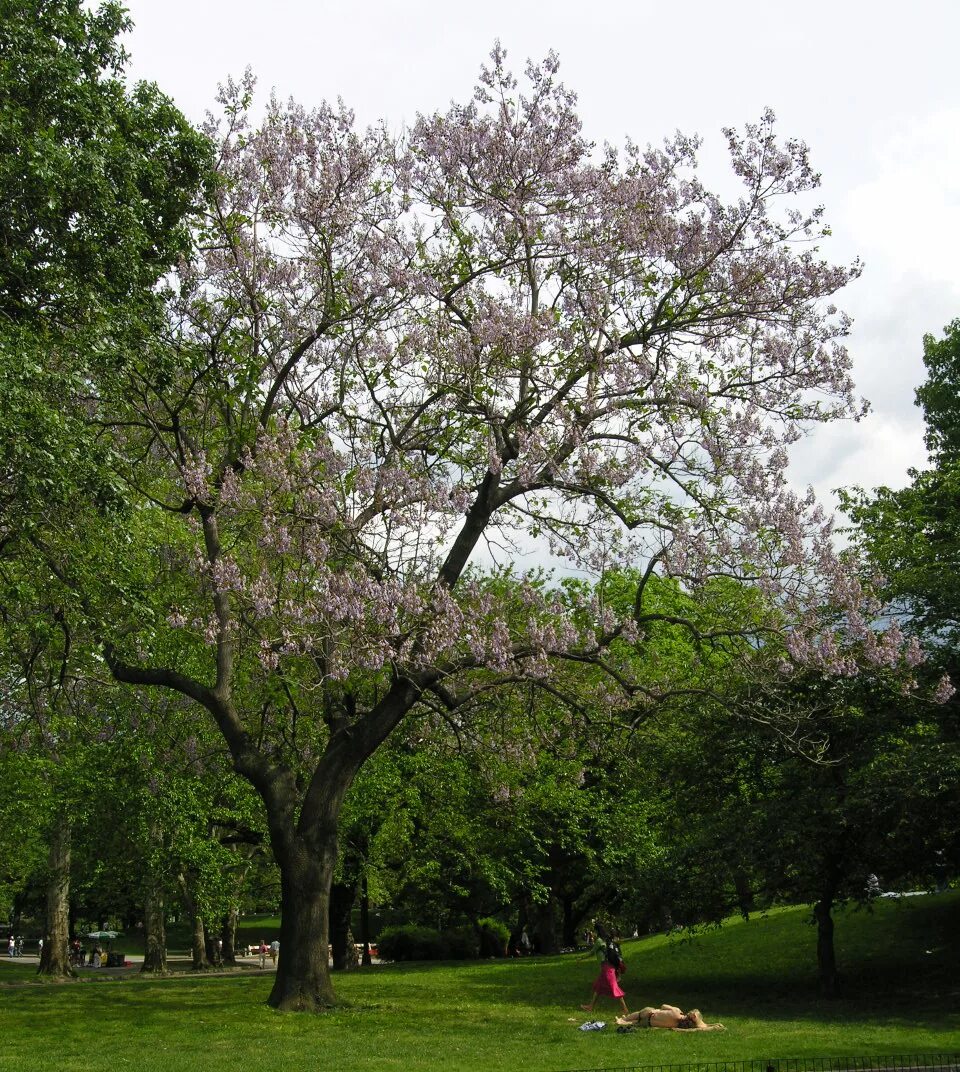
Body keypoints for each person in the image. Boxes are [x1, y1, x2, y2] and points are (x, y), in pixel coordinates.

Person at [581, 935, 628, 1015]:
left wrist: (582, 958)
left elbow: (593, 952)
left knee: (614, 988)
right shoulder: (609, 944)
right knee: (598, 986)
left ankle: (625, 1009)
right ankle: (590, 1006)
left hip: (608, 969)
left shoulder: (602, 942)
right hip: (606, 968)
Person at [616, 1004, 725, 1031]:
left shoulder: (677, 1012)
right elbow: (700, 1026)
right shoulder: (682, 1025)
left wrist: (674, 1007)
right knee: (636, 1022)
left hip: (650, 1014)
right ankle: (624, 1020)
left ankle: (623, 1020)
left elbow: (663, 1006)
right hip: (649, 1023)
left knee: (639, 1014)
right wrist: (713, 1026)